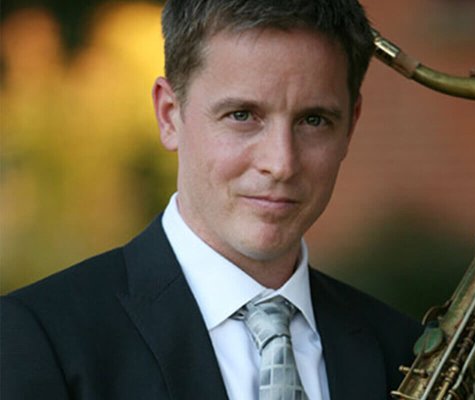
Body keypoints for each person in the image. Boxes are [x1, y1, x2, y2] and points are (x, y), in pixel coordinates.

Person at [1, 1, 422, 399]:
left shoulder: (403, 352)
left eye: (314, 120)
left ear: (350, 127)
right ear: (169, 114)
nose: (281, 164)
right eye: (242, 115)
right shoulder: (37, 339)